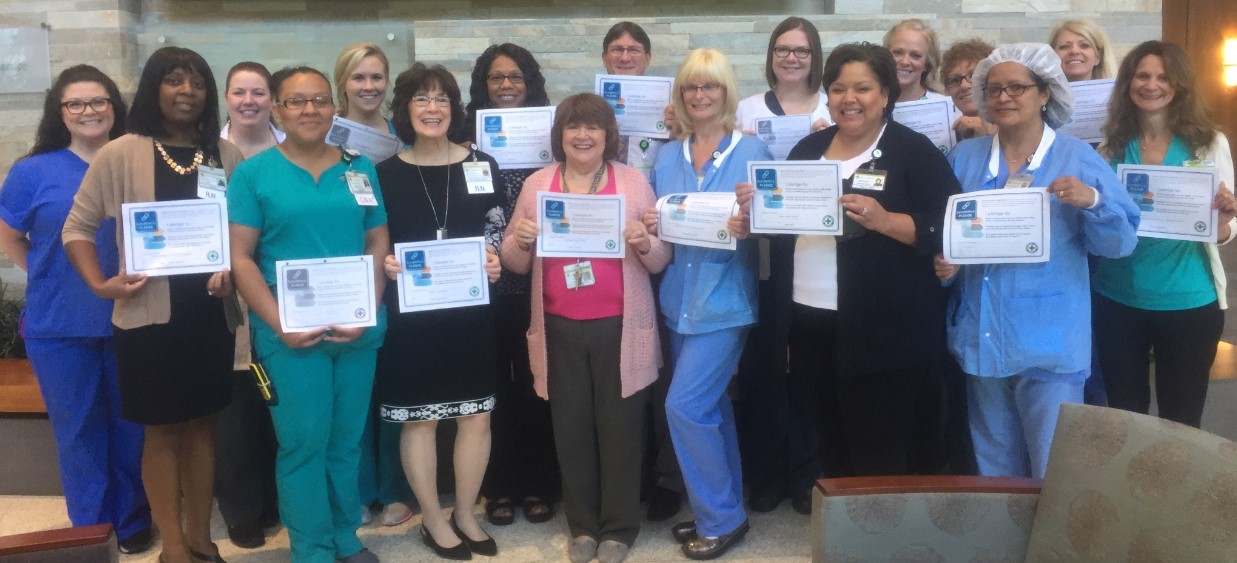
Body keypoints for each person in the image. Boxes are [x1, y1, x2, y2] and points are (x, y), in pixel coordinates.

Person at [744, 42, 959, 482]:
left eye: (862, 88)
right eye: (838, 88)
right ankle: (842, 531)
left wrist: (885, 220)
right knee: (831, 440)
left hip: (887, 330)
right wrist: (756, 210)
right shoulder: (809, 149)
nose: (849, 99)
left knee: (881, 448)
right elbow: (782, 227)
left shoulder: (912, 150)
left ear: (885, 95)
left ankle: (880, 538)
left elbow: (948, 224)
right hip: (809, 322)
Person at [63, 46, 239, 563]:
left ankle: (203, 538)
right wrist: (100, 284)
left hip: (211, 313)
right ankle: (175, 547)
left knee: (204, 425)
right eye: (174, 80)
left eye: (198, 82)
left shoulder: (226, 156)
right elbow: (77, 227)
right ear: (154, 88)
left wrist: (233, 269)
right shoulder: (122, 152)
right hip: (147, 318)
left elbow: (244, 234)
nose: (187, 91)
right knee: (162, 430)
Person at [936, 43, 1139, 479]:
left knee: (1054, 467)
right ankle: (1005, 545)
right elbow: (947, 236)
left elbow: (1119, 243)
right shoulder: (965, 159)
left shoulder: (1077, 158)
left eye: (1017, 87)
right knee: (995, 464)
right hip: (981, 334)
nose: (1004, 97)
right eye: (993, 89)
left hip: (1049, 338)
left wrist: (1094, 201)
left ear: (1045, 94)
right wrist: (946, 265)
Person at [227, 65, 388, 563]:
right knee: (303, 445)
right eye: (296, 102)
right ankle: (312, 548)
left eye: (319, 100)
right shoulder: (254, 174)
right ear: (278, 109)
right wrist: (280, 323)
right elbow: (240, 257)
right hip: (288, 333)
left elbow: (378, 239)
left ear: (334, 108)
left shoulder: (361, 168)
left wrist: (370, 309)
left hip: (356, 328)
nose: (309, 110)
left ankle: (345, 536)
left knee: (345, 443)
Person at [502, 92, 670, 563]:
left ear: (607, 136)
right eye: (573, 127)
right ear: (560, 135)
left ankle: (618, 527)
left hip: (620, 326)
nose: (582, 135)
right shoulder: (538, 184)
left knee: (621, 430)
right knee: (570, 429)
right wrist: (520, 238)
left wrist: (643, 242)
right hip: (558, 326)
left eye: (592, 127)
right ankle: (582, 526)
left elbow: (661, 259)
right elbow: (515, 264)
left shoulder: (633, 182)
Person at [0, 64, 152, 555]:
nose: (89, 111)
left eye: (99, 101)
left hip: (132, 320)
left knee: (133, 431)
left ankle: (131, 522)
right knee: (78, 434)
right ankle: (90, 529)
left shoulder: (138, 160)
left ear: (115, 107)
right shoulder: (33, 171)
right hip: (60, 326)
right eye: (76, 103)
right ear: (60, 112)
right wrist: (45, 271)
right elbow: (8, 235)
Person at [374, 63, 504, 560]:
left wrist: (493, 259)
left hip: (471, 310)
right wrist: (384, 263)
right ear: (406, 109)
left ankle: (466, 511)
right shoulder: (385, 173)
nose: (433, 109)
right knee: (420, 420)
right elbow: (376, 239)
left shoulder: (481, 164)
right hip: (413, 315)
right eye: (422, 100)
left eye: (443, 99)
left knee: (476, 416)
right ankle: (432, 517)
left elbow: (496, 225)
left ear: (455, 108)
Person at [647, 48, 768, 560]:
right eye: (691, 87)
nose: (700, 96)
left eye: (710, 86)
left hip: (725, 300)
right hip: (678, 299)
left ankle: (720, 518)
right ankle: (719, 506)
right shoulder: (667, 156)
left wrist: (752, 221)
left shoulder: (753, 148)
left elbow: (777, 222)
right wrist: (649, 227)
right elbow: (663, 230)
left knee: (685, 405)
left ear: (725, 92)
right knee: (712, 407)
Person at [1092, 41, 1237, 428]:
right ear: (1128, 83)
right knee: (1124, 418)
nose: (1151, 85)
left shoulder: (1209, 143)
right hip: (1117, 300)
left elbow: (1224, 231)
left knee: (1182, 421)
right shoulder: (1112, 147)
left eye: (1163, 77)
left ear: (1180, 85)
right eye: (1142, 75)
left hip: (1188, 302)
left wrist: (1224, 217)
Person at [731, 15, 829, 515]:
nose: (792, 58)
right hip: (765, 256)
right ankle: (764, 475)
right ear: (770, 56)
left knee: (808, 366)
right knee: (764, 365)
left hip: (815, 254)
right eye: (783, 50)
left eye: (803, 51)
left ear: (816, 58)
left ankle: (806, 475)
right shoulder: (746, 109)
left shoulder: (834, 109)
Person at [466, 42, 561, 528]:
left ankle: (541, 482)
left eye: (515, 77)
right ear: (484, 84)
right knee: (493, 386)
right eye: (497, 77)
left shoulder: (552, 135)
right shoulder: (465, 140)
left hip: (538, 283)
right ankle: (498, 485)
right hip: (484, 281)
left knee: (535, 384)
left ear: (530, 83)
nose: (506, 86)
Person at [599, 20, 682, 522]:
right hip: (609, 259)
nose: (625, 56)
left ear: (648, 59)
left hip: (662, 249)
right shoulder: (589, 113)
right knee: (621, 374)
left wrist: (679, 130)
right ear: (605, 59)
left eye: (634, 49)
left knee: (663, 372)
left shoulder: (672, 110)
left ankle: (667, 478)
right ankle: (623, 475)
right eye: (616, 49)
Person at [333, 41, 413, 527]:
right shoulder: (323, 135)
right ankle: (358, 489)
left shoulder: (402, 133)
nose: (369, 86)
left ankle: (395, 487)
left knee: (394, 386)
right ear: (343, 82)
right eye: (359, 78)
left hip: (399, 272)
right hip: (343, 271)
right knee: (352, 394)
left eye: (376, 77)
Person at [214, 61, 282, 549]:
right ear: (226, 97)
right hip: (223, 294)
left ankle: (278, 500)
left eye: (259, 92)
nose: (249, 101)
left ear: (272, 98)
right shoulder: (207, 155)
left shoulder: (292, 149)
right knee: (236, 408)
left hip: (284, 292)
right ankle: (241, 510)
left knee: (279, 400)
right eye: (240, 92)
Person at [942, 39, 998, 141]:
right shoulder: (946, 135)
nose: (964, 85)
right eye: (954, 80)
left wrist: (985, 138)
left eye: (973, 76)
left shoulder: (1014, 130)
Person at [883, 19, 947, 103]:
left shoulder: (942, 105)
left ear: (927, 64)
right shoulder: (870, 104)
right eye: (898, 52)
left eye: (916, 55)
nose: (905, 62)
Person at [1049, 19, 1117, 82]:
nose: (1074, 51)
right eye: (1065, 47)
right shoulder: (1041, 94)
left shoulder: (1118, 94)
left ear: (1098, 57)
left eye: (1084, 45)